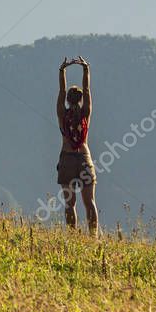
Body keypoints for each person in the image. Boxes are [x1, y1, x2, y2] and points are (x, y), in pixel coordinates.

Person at [56, 56, 98, 236]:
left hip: (66, 159)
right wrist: (86, 69)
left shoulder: (62, 115)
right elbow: (87, 90)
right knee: (89, 202)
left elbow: (61, 90)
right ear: (81, 100)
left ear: (67, 100)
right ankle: (93, 237)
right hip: (83, 158)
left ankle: (73, 238)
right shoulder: (85, 115)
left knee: (69, 203)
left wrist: (62, 71)